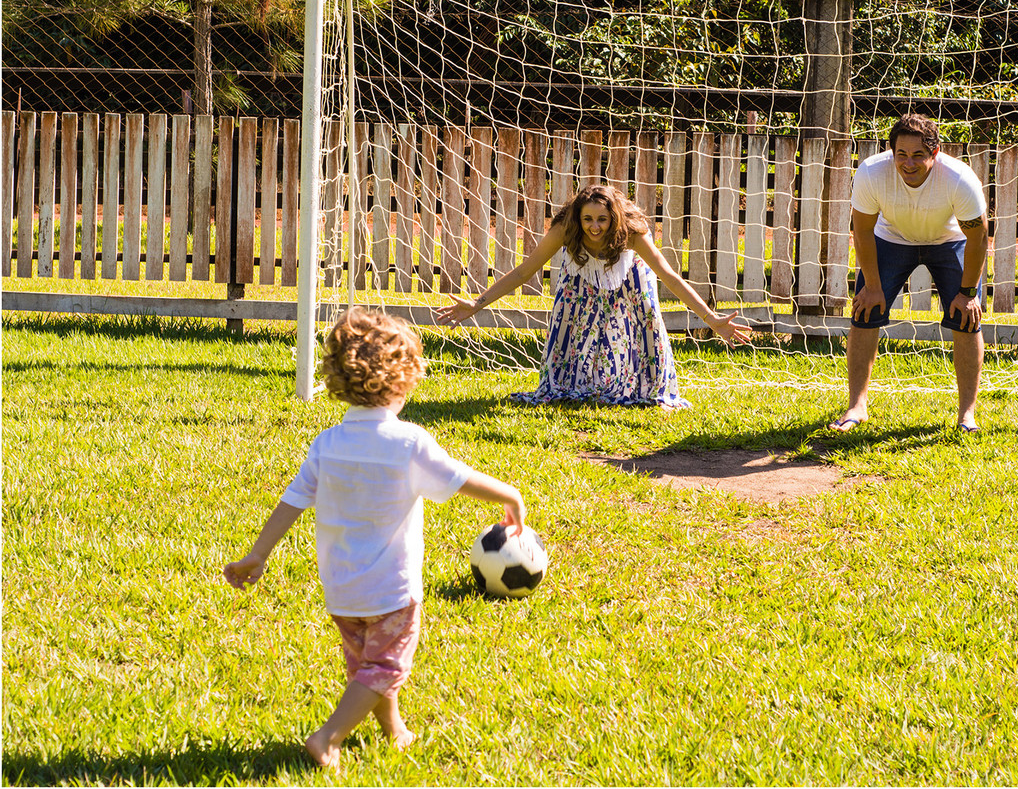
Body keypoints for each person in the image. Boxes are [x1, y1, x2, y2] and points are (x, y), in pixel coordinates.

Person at [223, 307, 526, 769]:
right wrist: (510, 495)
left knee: (368, 663)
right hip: (391, 591)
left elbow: (291, 503)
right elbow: (460, 478)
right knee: (387, 665)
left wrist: (258, 554)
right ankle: (328, 737)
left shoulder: (327, 444)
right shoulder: (409, 443)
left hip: (341, 590)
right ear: (404, 380)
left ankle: (392, 726)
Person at [436, 184, 752, 409]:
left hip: (629, 277)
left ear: (614, 218)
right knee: (568, 322)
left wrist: (712, 320)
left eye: (602, 219)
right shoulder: (565, 229)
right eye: (587, 219)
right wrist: (476, 304)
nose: (595, 227)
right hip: (580, 277)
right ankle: (570, 383)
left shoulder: (631, 232)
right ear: (578, 219)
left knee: (643, 322)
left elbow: (669, 275)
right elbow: (523, 272)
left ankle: (645, 387)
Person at [830, 113, 989, 434]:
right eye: (901, 154)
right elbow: (862, 230)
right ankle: (856, 406)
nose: (908, 163)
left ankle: (966, 415)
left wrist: (968, 293)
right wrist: (872, 285)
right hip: (891, 239)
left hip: (949, 240)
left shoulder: (959, 178)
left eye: (918, 155)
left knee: (966, 318)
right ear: (892, 152)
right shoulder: (872, 172)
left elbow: (978, 237)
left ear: (935, 152)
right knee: (865, 311)